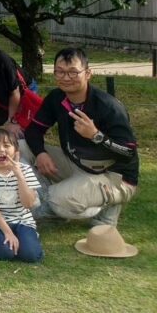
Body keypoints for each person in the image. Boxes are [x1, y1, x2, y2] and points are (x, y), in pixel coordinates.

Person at [21, 48, 139, 227]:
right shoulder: (56, 98)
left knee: (57, 200)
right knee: (20, 147)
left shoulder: (108, 106)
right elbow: (33, 131)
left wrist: (96, 136)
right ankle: (56, 201)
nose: (66, 78)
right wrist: (40, 153)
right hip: (78, 163)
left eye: (73, 72)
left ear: (88, 73)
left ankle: (106, 202)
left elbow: (128, 152)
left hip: (114, 175)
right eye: (60, 72)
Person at [0, 128, 44, 262]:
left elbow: (28, 204)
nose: (1, 149)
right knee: (5, 253)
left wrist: (19, 175)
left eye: (6, 145)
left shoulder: (25, 170)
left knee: (31, 255)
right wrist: (8, 232)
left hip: (22, 220)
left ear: (16, 150)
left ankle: (26, 238)